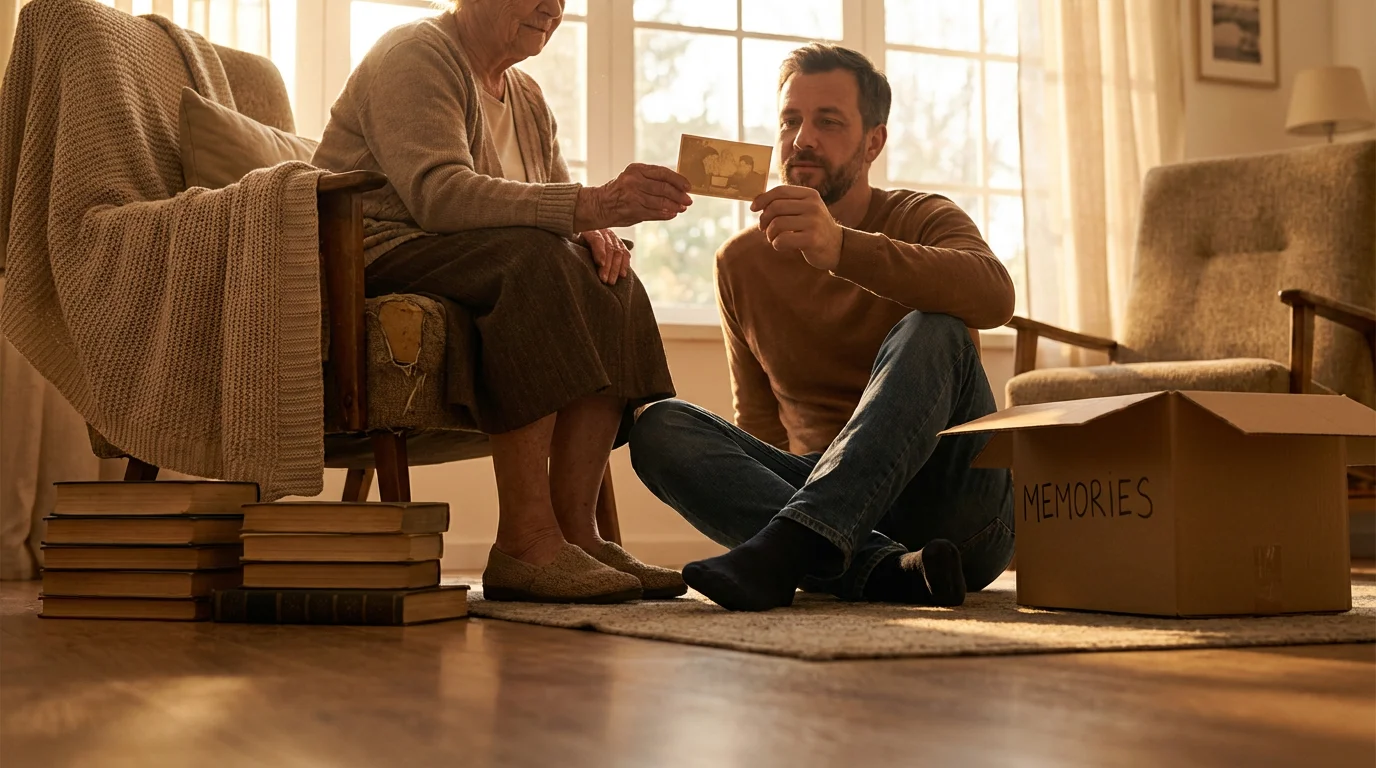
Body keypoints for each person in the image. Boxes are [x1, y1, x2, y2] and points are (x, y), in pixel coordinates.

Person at [311, 0, 694, 604]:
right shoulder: (416, 53)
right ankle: (524, 540)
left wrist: (594, 230)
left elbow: (555, 206)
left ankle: (577, 534)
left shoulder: (529, 98)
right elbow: (439, 196)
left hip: (465, 258)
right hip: (376, 251)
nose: (554, 7)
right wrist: (586, 208)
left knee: (611, 275)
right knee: (538, 264)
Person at [628, 44, 1017, 612]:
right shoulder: (740, 262)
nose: (802, 138)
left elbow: (995, 295)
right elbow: (759, 424)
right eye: (791, 120)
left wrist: (839, 247)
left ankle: (794, 547)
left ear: (873, 143)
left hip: (951, 507)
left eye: (828, 122)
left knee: (936, 328)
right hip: (828, 494)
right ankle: (883, 571)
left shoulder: (923, 216)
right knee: (660, 427)